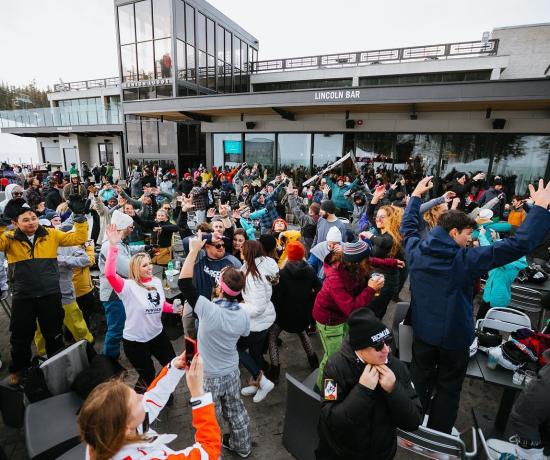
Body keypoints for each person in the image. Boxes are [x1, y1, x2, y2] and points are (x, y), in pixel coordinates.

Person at [401, 176, 550, 434]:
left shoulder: (415, 250)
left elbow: (408, 227)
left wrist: (414, 197)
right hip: (454, 340)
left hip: (423, 334)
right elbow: (518, 245)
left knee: (419, 379)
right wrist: (538, 210)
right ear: (453, 233)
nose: (470, 240)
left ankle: (414, 428)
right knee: (448, 388)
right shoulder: (465, 260)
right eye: (468, 234)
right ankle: (438, 437)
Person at [178, 231, 253, 458]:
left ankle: (213, 454)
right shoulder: (244, 314)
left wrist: (193, 251)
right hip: (231, 371)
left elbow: (184, 283)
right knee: (236, 410)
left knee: (211, 417)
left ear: (220, 287)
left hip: (209, 375)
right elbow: (244, 339)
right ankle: (243, 447)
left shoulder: (207, 309)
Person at [0, 197, 88, 385]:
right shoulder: (9, 238)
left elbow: (78, 238)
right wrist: (1, 223)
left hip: (50, 294)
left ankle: (56, 367)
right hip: (23, 296)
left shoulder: (51, 234)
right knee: (20, 336)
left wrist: (80, 217)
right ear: (15, 223)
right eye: (25, 220)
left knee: (54, 333)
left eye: (33, 218)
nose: (31, 222)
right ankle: (19, 370)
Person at [316, 309, 422, 460]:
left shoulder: (397, 367)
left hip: (382, 453)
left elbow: (413, 421)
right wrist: (362, 390)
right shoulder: (334, 367)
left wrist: (394, 390)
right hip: (342, 453)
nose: (387, 350)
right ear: (360, 348)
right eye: (378, 346)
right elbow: (330, 419)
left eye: (388, 341)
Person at [79, 353, 221, 460]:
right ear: (126, 428)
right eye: (136, 402)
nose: (142, 397)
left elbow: (152, 400)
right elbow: (208, 451)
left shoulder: (102, 434)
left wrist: (174, 368)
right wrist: (198, 395)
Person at [104, 224, 178, 391]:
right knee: (147, 375)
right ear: (135, 269)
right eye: (144, 265)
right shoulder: (127, 287)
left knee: (172, 365)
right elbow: (109, 274)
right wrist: (113, 246)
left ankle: (163, 392)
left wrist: (174, 309)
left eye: (149, 263)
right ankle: (142, 400)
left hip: (157, 335)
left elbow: (160, 304)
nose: (150, 267)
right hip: (135, 342)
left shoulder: (156, 282)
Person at [312, 240, 385, 390]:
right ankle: (322, 390)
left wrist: (393, 262)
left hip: (342, 317)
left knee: (343, 348)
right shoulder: (335, 278)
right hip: (329, 321)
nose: (369, 263)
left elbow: (372, 260)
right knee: (332, 357)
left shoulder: (351, 262)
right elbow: (351, 309)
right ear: (356, 263)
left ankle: (341, 377)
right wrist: (370, 289)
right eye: (366, 261)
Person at [268, 241, 321, 382]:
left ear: (288, 255)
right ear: (302, 254)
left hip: (284, 317)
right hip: (303, 316)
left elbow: (276, 298)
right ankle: (314, 361)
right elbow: (319, 288)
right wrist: (309, 299)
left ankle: (274, 370)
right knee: (302, 333)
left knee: (272, 336)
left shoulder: (282, 273)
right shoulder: (310, 270)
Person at [238, 240, 278, 403]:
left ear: (249, 253)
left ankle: (263, 382)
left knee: (236, 348)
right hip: (264, 321)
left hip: (258, 323)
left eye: (242, 249)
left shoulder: (254, 277)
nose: (239, 251)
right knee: (255, 353)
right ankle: (258, 384)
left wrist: (238, 307)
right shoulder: (259, 265)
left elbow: (256, 308)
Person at [181, 230, 242, 339]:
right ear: (207, 246)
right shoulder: (200, 255)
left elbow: (240, 284)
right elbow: (186, 241)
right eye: (218, 245)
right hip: (198, 303)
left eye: (223, 245)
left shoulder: (232, 261)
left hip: (219, 310)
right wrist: (209, 237)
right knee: (189, 324)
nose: (222, 247)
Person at [98, 210, 141, 359]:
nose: (132, 229)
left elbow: (127, 250)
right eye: (130, 227)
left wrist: (144, 249)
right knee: (115, 329)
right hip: (113, 294)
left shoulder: (119, 243)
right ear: (123, 228)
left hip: (119, 292)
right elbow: (126, 268)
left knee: (120, 326)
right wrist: (142, 266)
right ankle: (109, 361)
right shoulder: (109, 246)